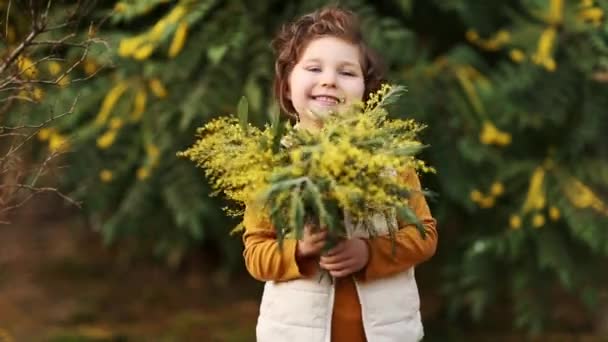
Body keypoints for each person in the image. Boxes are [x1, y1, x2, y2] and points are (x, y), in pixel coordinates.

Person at [242, 6, 438, 342]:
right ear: (287, 86)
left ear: (368, 91)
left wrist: (368, 252)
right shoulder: (271, 164)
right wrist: (299, 249)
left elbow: (425, 236)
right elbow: (255, 253)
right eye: (314, 68)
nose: (329, 80)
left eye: (347, 72)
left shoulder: (391, 160)